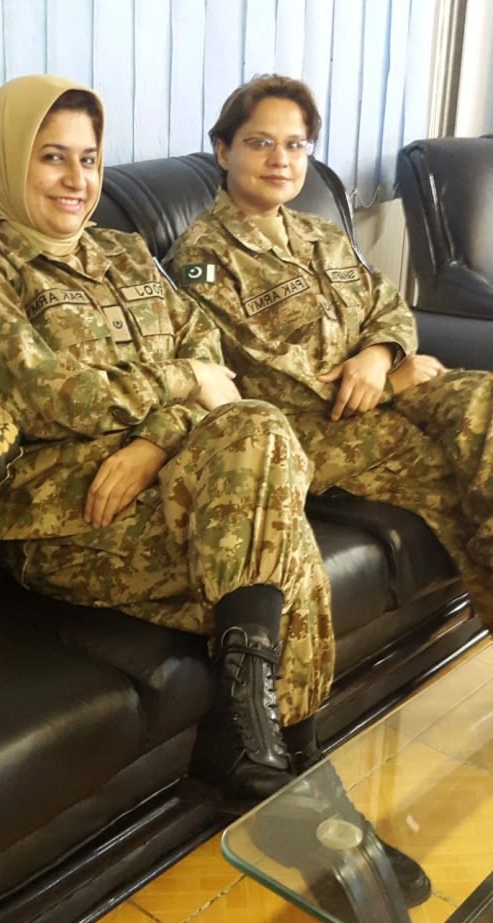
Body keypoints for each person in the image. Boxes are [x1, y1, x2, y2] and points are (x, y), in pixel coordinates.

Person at [0, 74, 430, 907]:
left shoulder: (122, 253)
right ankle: (305, 801)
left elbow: (217, 369)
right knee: (278, 545)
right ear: (10, 162)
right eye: (52, 159)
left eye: (88, 158)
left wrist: (159, 436)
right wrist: (183, 385)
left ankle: (255, 761)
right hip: (68, 513)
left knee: (261, 430)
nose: (78, 180)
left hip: (168, 475)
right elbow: (49, 394)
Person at [166, 74, 493, 636]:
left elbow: (386, 304)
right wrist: (394, 382)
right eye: (260, 142)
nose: (281, 160)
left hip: (385, 388)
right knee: (452, 478)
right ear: (224, 150)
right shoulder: (203, 260)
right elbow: (271, 380)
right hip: (315, 432)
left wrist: (381, 354)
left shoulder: (322, 233)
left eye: (295, 145)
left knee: (485, 398)